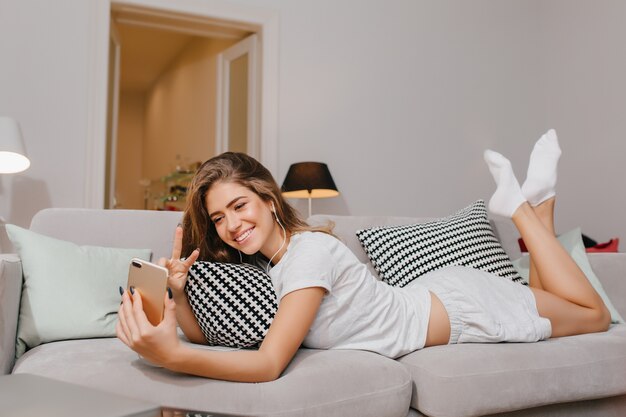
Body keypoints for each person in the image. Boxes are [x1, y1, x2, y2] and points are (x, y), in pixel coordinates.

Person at [116, 129, 610, 382]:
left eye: (239, 205)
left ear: (269, 199)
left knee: (594, 317)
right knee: (544, 299)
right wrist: (178, 294)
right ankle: (541, 203)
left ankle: (519, 210)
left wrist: (175, 357)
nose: (231, 224)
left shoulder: (308, 255)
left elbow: (268, 364)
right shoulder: (279, 263)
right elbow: (218, 339)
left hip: (464, 310)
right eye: (219, 218)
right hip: (440, 297)